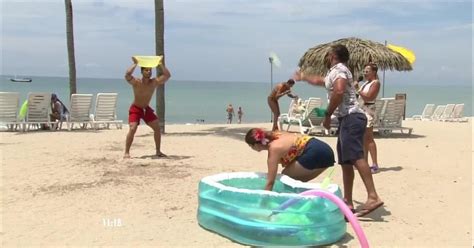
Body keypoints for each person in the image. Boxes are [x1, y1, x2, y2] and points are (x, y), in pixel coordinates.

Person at [293, 44, 383, 217]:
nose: (326, 57)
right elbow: (322, 81)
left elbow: (339, 90)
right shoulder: (334, 71)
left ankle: (373, 196)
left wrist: (327, 114)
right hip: (347, 119)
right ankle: (348, 202)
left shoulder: (339, 70)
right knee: (345, 162)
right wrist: (304, 77)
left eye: (328, 55)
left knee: (356, 156)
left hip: (351, 117)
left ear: (333, 55)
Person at [245, 128, 334, 191]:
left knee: (285, 178)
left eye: (250, 146)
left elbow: (270, 181)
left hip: (313, 151)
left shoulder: (273, 149)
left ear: (255, 145)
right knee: (297, 181)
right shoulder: (278, 134)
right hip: (326, 151)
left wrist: (263, 203)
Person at [124, 56, 171, 159]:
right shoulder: (136, 82)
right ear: (142, 72)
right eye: (146, 70)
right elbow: (127, 75)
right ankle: (126, 152)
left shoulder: (153, 83)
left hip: (146, 109)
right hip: (136, 108)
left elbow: (167, 76)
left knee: (157, 128)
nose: (149, 72)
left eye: (150, 70)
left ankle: (158, 151)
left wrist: (160, 64)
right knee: (133, 128)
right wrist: (135, 64)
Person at [358, 63, 381, 173]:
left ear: (374, 72)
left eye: (367, 71)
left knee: (369, 138)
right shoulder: (366, 83)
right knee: (362, 138)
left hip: (368, 111)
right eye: (364, 71)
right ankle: (365, 162)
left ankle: (375, 164)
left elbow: (369, 97)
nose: (365, 73)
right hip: (361, 111)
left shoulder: (375, 83)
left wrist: (358, 89)